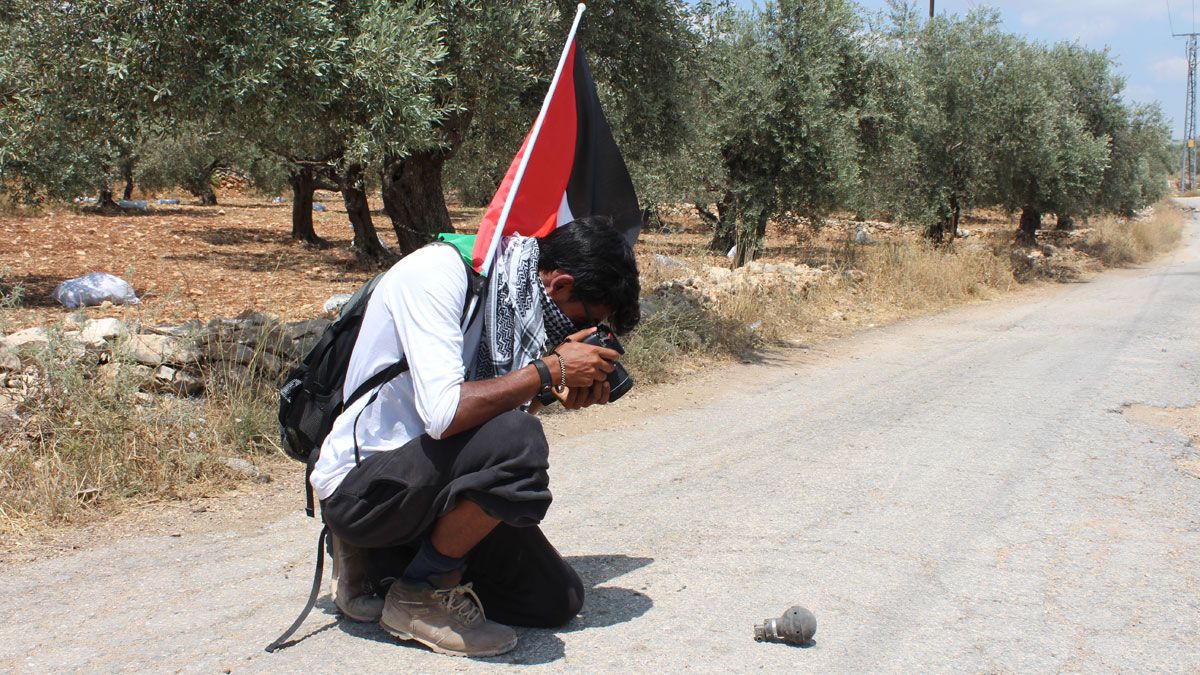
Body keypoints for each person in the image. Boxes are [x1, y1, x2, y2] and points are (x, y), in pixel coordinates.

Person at [309, 216, 641, 657]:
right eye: (588, 321)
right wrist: (548, 369)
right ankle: (416, 591)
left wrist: (546, 387)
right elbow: (446, 415)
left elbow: (490, 437)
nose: (582, 333)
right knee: (520, 438)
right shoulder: (436, 274)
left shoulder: (514, 302)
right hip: (365, 486)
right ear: (560, 285)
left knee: (554, 599)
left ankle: (391, 565)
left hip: (429, 487)